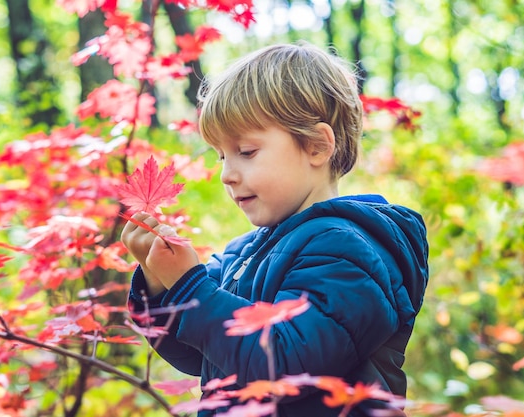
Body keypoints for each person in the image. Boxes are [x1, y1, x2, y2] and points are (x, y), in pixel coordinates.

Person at [121, 41, 429, 417]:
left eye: (246, 152)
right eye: (221, 156)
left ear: (316, 146)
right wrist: (159, 283)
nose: (227, 175)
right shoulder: (240, 255)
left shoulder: (351, 250)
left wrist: (190, 286)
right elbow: (198, 355)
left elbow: (285, 365)